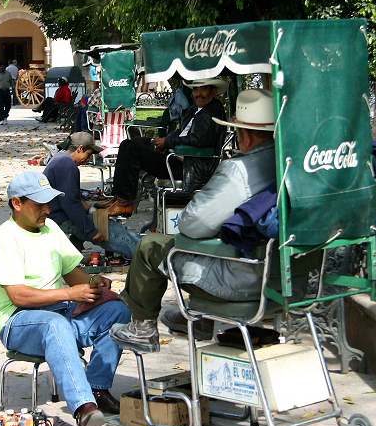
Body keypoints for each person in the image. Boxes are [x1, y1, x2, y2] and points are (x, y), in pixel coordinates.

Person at [110, 89, 277, 353]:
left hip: (244, 278)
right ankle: (200, 317)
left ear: (243, 133)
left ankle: (142, 328)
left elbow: (192, 223)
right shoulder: (287, 163)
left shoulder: (240, 170)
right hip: (284, 276)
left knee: (151, 245)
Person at [0, 171, 131, 426]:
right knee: (55, 324)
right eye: (39, 204)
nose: (47, 209)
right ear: (17, 204)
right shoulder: (5, 239)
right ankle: (84, 406)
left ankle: (97, 388)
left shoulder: (50, 227)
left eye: (48, 203)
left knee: (116, 310)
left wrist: (93, 283)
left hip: (60, 312)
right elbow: (18, 295)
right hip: (18, 321)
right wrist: (69, 294)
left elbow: (71, 272)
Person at [96, 78, 227, 216]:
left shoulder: (212, 111)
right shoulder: (195, 109)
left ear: (214, 91)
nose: (198, 93)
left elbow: (199, 140)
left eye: (203, 89)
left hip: (189, 165)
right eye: (195, 89)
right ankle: (118, 197)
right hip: (175, 156)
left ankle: (125, 202)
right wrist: (161, 142)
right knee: (128, 144)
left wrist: (168, 142)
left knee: (133, 151)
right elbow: (182, 132)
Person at [44, 132, 140, 260]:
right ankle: (142, 254)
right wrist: (91, 231)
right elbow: (70, 204)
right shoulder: (66, 164)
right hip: (59, 217)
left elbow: (74, 197)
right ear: (80, 148)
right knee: (109, 229)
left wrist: (91, 210)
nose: (88, 159)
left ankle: (72, 257)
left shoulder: (61, 159)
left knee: (98, 220)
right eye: (88, 154)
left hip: (57, 213)